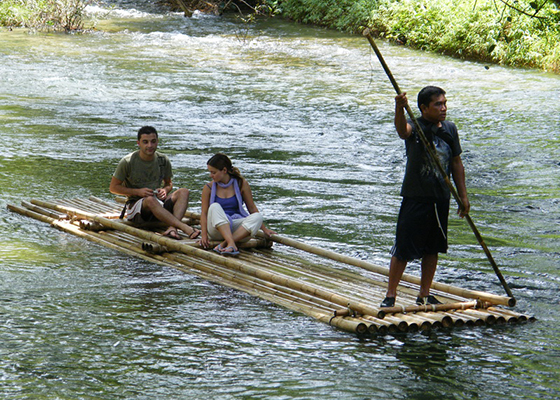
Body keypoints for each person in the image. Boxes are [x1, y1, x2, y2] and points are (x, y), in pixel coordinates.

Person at [380, 86, 470, 308]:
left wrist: (463, 196)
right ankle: (391, 295)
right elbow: (402, 131)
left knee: (433, 247)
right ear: (423, 108)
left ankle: (424, 293)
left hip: (440, 198)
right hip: (416, 197)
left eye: (444, 103)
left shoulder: (450, 129)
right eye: (438, 104)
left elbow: (457, 163)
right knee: (403, 247)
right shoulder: (416, 127)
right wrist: (399, 108)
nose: (443, 108)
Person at [109, 126, 200, 240]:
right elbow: (113, 188)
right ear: (138, 143)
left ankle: (172, 228)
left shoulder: (163, 160)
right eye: (145, 142)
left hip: (158, 203)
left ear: (157, 142)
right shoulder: (127, 161)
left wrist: (165, 190)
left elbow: (168, 184)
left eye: (153, 141)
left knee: (184, 192)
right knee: (150, 200)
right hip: (137, 208)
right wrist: (138, 192)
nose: (150, 146)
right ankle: (184, 227)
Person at [199, 153, 275, 256]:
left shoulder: (241, 183)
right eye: (210, 172)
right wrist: (204, 236)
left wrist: (264, 229)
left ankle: (227, 243)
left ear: (224, 170)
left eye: (213, 172)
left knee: (257, 217)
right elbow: (204, 214)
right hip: (216, 229)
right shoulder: (208, 188)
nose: (210, 175)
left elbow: (251, 208)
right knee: (214, 207)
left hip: (235, 228)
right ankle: (230, 242)